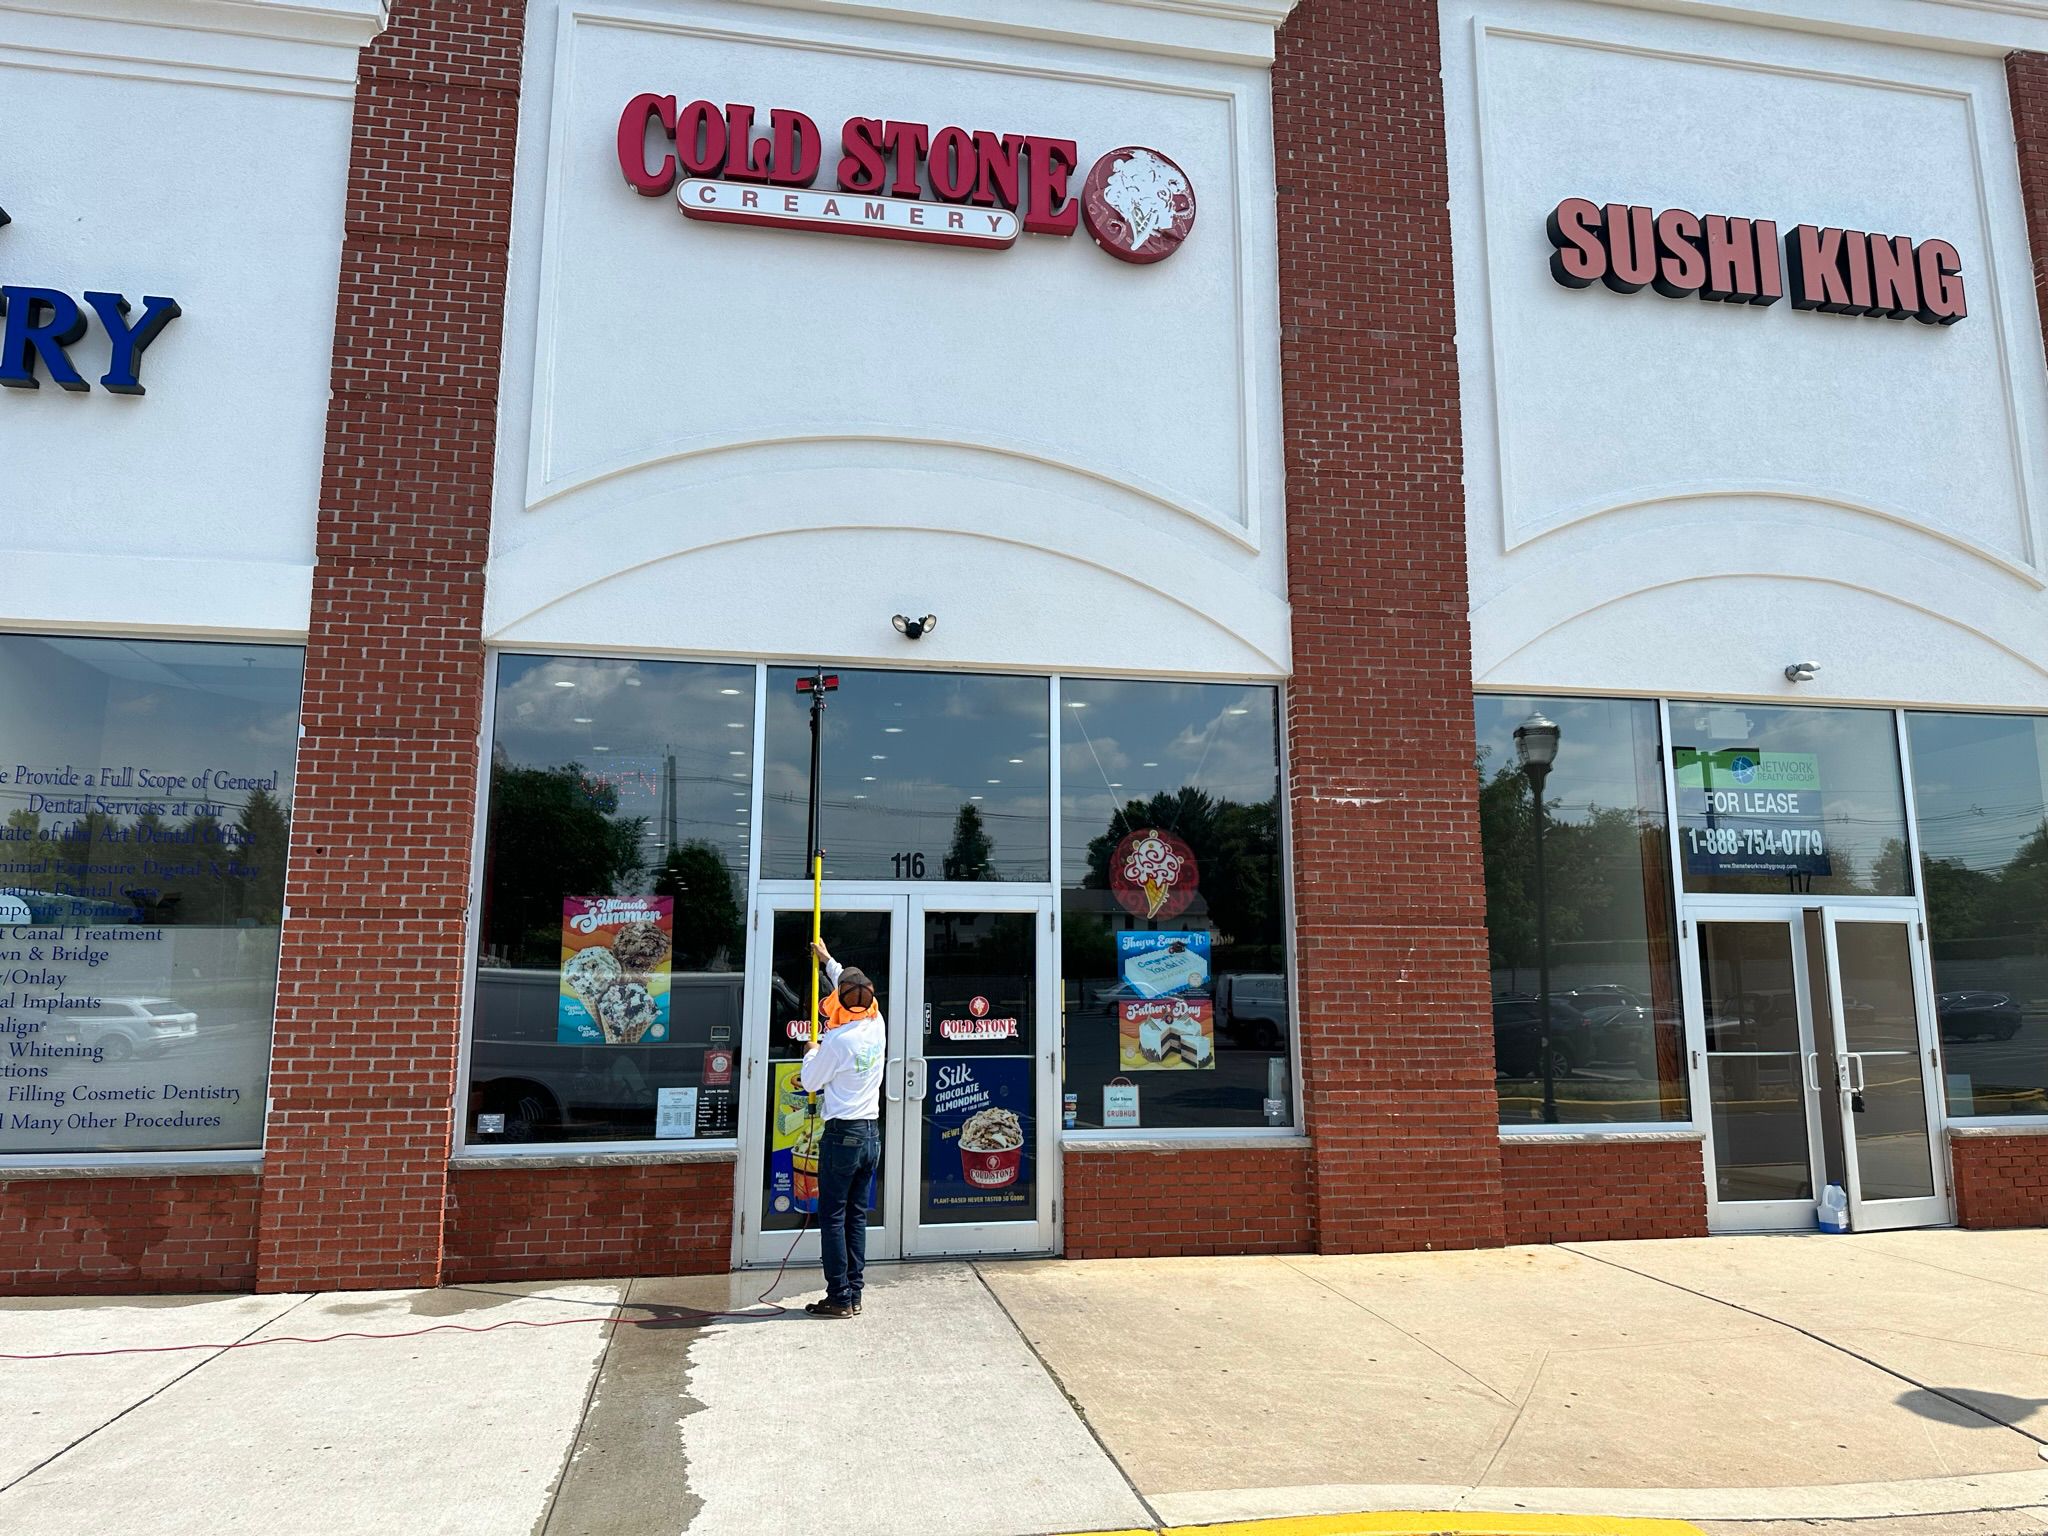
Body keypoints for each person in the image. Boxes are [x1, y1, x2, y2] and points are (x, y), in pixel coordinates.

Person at [799, 938, 885, 1319]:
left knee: (832, 1216)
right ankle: (856, 1292)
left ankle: (839, 1296)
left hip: (843, 1135)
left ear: (841, 1002)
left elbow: (810, 1082)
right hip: (870, 1135)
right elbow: (847, 983)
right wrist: (828, 960)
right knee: (856, 1215)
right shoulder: (877, 1024)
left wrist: (811, 1050)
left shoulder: (836, 1041)